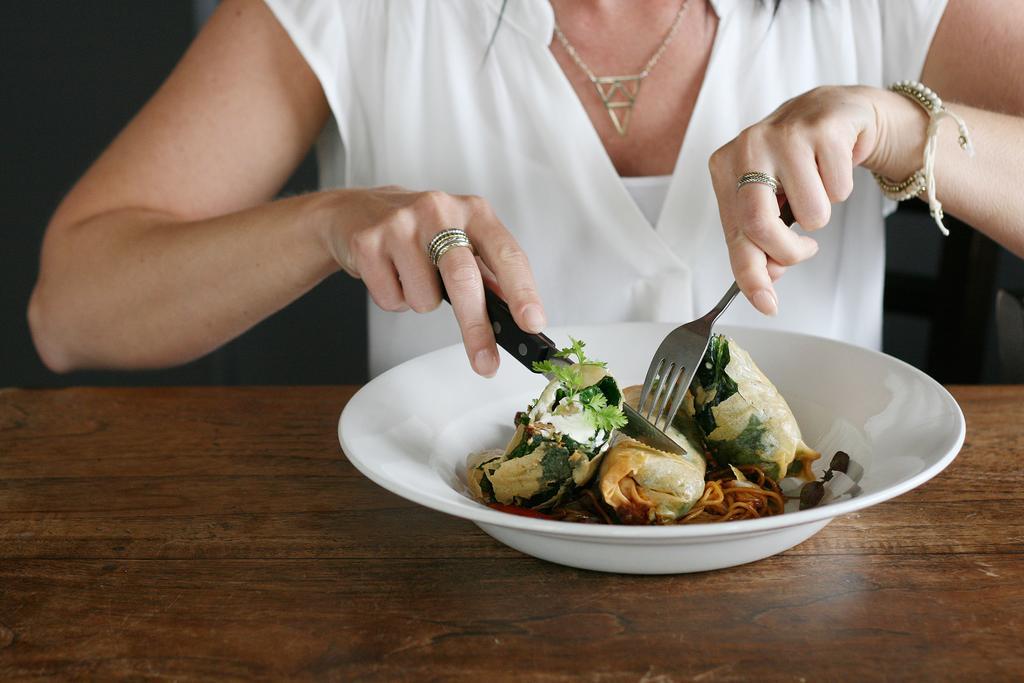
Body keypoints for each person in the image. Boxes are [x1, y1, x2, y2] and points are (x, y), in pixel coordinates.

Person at [27, 0, 1024, 379]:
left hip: (815, 603)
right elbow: (71, 309)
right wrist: (326, 224)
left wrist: (907, 129)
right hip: (446, 607)